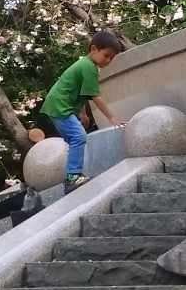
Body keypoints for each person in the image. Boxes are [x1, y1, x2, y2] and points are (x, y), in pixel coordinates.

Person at [42, 29, 126, 186]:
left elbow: (82, 93)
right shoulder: (88, 67)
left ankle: (73, 173)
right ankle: (72, 176)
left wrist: (83, 114)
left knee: (75, 139)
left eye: (112, 58)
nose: (108, 60)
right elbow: (95, 96)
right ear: (94, 49)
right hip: (60, 106)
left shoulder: (86, 65)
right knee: (79, 137)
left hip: (59, 105)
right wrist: (111, 117)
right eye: (106, 55)